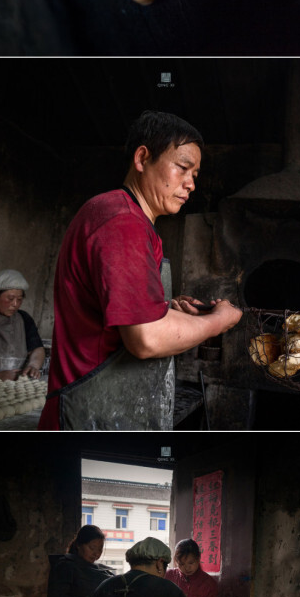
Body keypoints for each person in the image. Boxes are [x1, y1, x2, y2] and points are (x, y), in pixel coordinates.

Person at [38, 109, 241, 431]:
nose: (190, 184)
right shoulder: (123, 222)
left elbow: (122, 315)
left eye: (195, 175)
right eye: (182, 168)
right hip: (89, 414)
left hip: (104, 411)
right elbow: (146, 338)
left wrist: (168, 309)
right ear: (143, 158)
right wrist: (220, 321)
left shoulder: (128, 219)